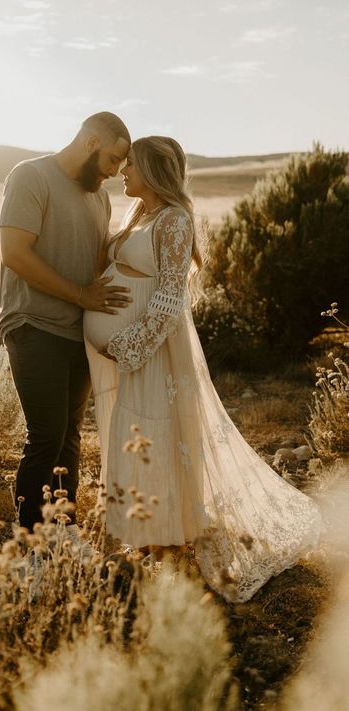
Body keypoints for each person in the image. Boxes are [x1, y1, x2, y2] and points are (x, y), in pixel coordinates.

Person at [83, 136, 322, 603]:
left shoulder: (174, 219)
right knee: (137, 431)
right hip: (131, 352)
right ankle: (148, 537)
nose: (124, 173)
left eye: (131, 166)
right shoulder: (140, 215)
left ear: (153, 171)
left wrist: (127, 346)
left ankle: (165, 539)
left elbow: (171, 297)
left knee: (156, 434)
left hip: (153, 353)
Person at [0, 112, 131, 559]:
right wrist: (80, 294)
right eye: (113, 159)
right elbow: (15, 253)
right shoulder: (30, 176)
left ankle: (64, 533)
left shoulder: (101, 200)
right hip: (33, 324)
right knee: (46, 433)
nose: (116, 171)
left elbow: (94, 266)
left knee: (71, 435)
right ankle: (32, 549)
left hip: (80, 332)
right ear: (91, 141)